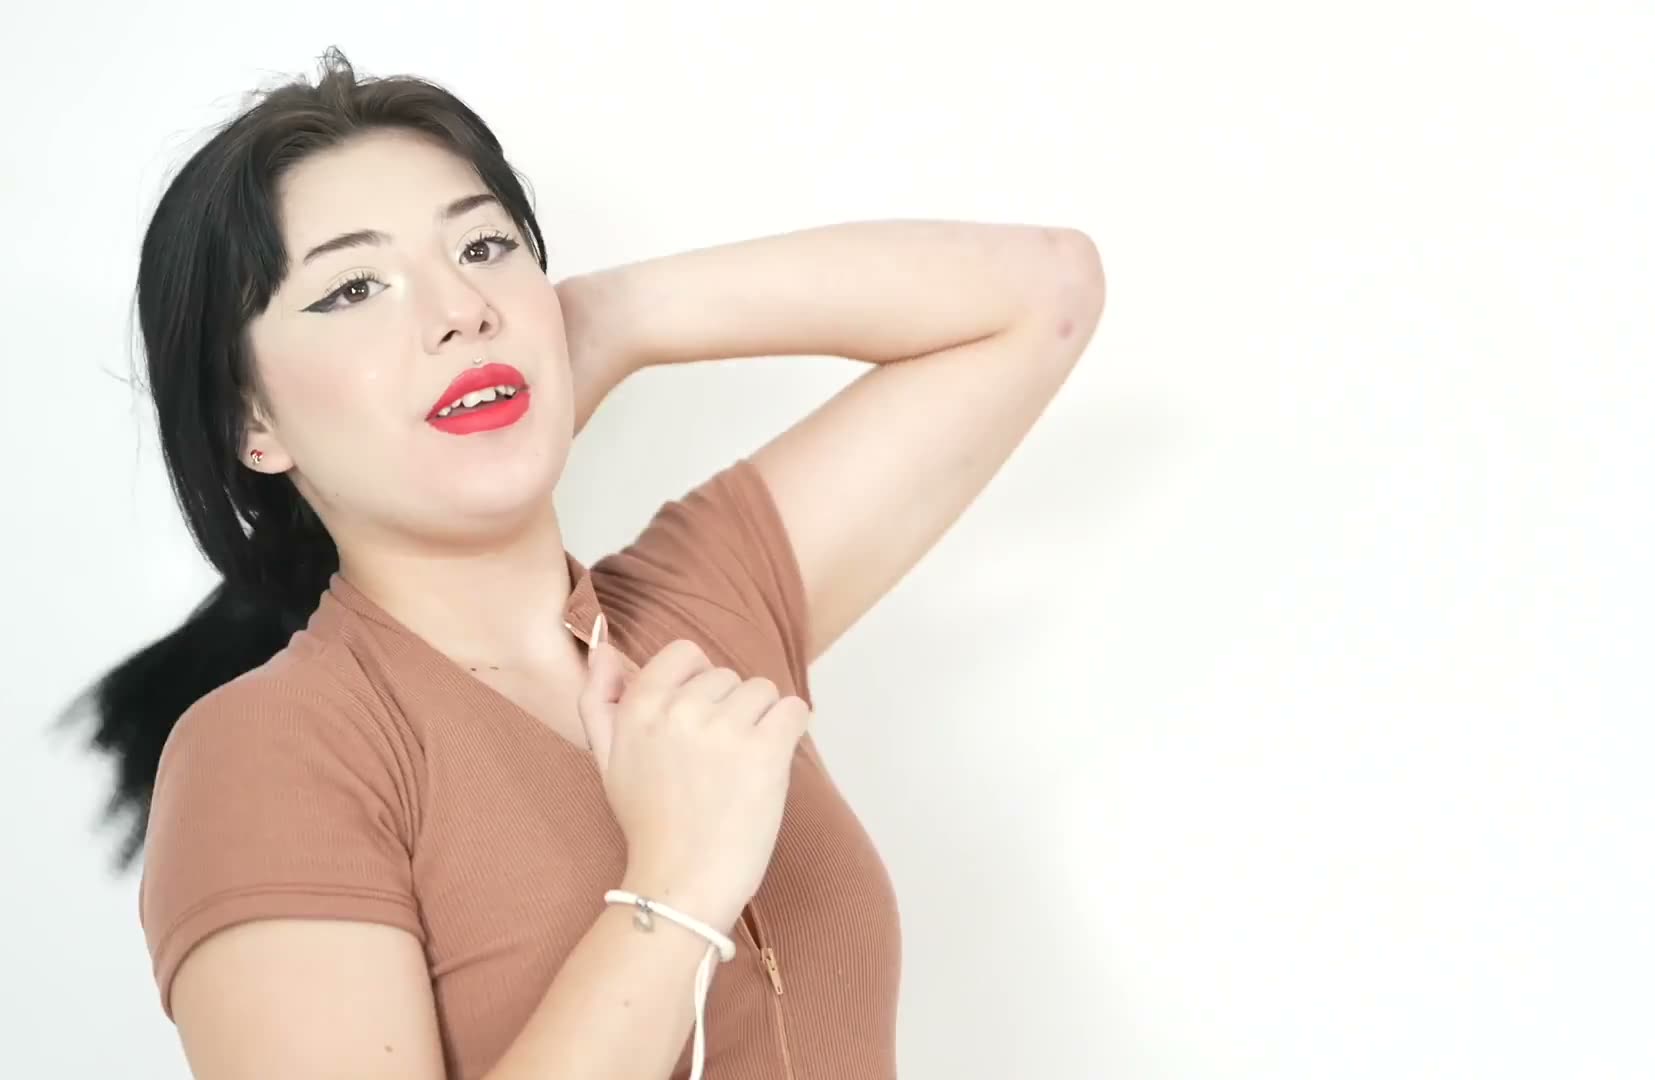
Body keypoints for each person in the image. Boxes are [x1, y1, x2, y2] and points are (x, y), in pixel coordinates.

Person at [70, 47, 1104, 1080]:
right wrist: (676, 885)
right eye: (353, 288)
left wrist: (610, 321)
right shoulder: (267, 754)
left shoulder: (704, 601)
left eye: (484, 246)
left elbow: (1044, 292)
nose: (461, 308)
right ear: (251, 422)